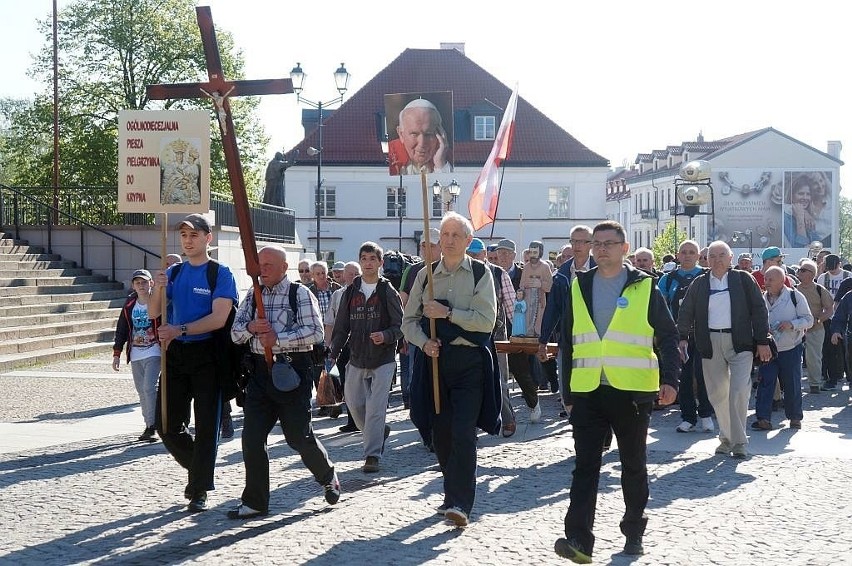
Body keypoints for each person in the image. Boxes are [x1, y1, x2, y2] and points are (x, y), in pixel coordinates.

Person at [553, 220, 679, 563]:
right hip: (589, 390)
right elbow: (568, 341)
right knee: (585, 467)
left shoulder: (645, 287)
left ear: (625, 248)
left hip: (632, 392)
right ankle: (579, 539)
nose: (602, 248)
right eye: (598, 243)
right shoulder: (579, 286)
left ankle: (634, 532)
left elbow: (668, 336)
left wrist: (671, 380)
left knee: (633, 466)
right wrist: (566, 392)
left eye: (610, 243)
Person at [227, 245, 340, 519]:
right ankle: (255, 501)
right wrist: (251, 328)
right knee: (252, 438)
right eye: (259, 265)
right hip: (259, 375)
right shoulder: (252, 297)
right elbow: (234, 333)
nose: (261, 270)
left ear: (282, 268)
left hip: (292, 371)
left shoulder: (299, 294)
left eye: (267, 265)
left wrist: (279, 339)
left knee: (298, 437)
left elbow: (314, 332)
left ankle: (327, 475)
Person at [402, 212, 498, 528]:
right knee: (440, 434)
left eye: (457, 234)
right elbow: (409, 322)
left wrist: (448, 313)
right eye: (445, 234)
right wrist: (424, 343)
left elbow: (486, 321)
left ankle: (461, 503)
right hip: (435, 363)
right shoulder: (425, 276)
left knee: (463, 432)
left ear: (468, 241)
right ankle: (450, 494)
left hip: (470, 364)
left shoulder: (482, 274)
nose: (450, 239)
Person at [149, 214, 238, 513]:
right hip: (175, 355)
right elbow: (153, 312)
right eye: (184, 236)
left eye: (194, 235)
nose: (187, 241)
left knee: (206, 423)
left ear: (207, 238)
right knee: (165, 424)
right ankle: (201, 471)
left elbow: (219, 317)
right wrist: (157, 287)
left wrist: (180, 329)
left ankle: (198, 488)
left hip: (208, 355)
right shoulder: (173, 273)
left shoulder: (220, 273)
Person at [676, 241, 772, 459]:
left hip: (741, 343)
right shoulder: (700, 283)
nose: (717, 259)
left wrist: (762, 340)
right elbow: (686, 311)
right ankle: (726, 438)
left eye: (722, 255)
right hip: (710, 343)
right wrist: (682, 337)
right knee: (718, 394)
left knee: (738, 391)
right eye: (713, 256)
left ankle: (739, 442)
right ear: (706, 259)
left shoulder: (743, 279)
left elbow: (759, 309)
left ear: (730, 259)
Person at [328, 242, 403, 473]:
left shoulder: (387, 291)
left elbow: (400, 326)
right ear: (360, 262)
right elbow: (341, 327)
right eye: (364, 259)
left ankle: (372, 455)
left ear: (380, 262)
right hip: (357, 357)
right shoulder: (350, 292)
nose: (368, 263)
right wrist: (332, 355)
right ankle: (377, 431)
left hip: (383, 359)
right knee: (354, 404)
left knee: (376, 408)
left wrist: (386, 335)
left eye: (372, 259)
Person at [658, 240, 714, 434]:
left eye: (692, 252)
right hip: (677, 335)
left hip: (704, 334)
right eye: (684, 252)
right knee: (685, 377)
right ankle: (688, 417)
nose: (688, 255)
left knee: (703, 374)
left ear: (698, 255)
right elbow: (662, 306)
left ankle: (706, 415)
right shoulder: (667, 279)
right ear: (678, 255)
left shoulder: (707, 276)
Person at [466, 237, 517, 438]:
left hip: (496, 334)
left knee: (499, 381)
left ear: (484, 254)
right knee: (472, 381)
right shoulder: (463, 273)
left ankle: (508, 418)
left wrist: (521, 334)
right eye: (470, 254)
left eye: (476, 254)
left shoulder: (498, 273)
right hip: (470, 334)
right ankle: (473, 424)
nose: (473, 257)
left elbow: (511, 306)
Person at [751, 266, 813, 431]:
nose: (767, 282)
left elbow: (809, 320)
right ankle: (763, 418)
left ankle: (794, 417)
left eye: (771, 279)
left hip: (791, 348)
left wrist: (792, 324)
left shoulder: (795, 296)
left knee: (792, 383)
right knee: (765, 382)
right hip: (768, 349)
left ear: (781, 281)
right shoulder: (761, 298)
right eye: (766, 279)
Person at [112, 269, 161, 442]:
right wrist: (117, 352)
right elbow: (122, 328)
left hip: (154, 350)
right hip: (136, 352)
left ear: (151, 283)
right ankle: (148, 423)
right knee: (142, 391)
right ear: (133, 285)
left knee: (149, 388)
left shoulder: (157, 302)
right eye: (137, 282)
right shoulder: (130, 304)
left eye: (144, 282)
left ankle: (153, 426)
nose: (141, 285)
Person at [326, 261, 362, 433]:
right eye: (349, 273)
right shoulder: (338, 295)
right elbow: (330, 322)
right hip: (342, 345)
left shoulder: (367, 292)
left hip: (362, 344)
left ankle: (365, 419)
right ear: (344, 275)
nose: (352, 276)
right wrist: (329, 345)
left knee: (361, 382)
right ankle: (352, 420)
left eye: (356, 273)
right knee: (346, 383)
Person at [795, 259, 833, 393]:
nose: (799, 272)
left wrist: (818, 320)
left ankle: (815, 384)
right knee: (793, 358)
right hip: (796, 329)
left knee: (814, 357)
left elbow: (829, 309)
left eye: (803, 270)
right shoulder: (793, 289)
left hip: (815, 329)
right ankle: (793, 385)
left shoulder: (819, 289)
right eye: (799, 269)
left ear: (811, 274)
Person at [388, 98, 451, 175]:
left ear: (440, 134)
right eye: (414, 134)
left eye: (428, 134)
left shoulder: (446, 155)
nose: (422, 143)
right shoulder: (388, 156)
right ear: (401, 134)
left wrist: (440, 165)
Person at [817, 254, 852, 390]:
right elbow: (822, 297)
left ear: (839, 264)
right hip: (830, 318)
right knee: (830, 349)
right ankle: (831, 377)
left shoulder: (847, 276)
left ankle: (848, 376)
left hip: (844, 319)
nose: (831, 271)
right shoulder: (823, 278)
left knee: (846, 351)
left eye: (834, 268)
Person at [519, 240, 552, 337]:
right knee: (527, 318)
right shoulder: (526, 267)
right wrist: (525, 286)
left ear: (540, 253)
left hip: (540, 300)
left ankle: (538, 334)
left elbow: (550, 286)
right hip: (527, 299)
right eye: (531, 252)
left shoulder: (545, 267)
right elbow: (521, 285)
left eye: (535, 252)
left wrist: (540, 284)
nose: (532, 255)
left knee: (539, 320)